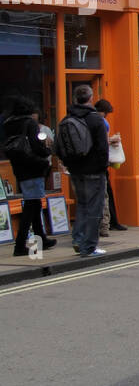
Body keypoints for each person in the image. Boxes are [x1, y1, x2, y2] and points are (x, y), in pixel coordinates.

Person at [2, 95, 57, 256]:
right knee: (31, 205)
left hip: (19, 168)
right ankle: (20, 246)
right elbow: (36, 146)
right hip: (34, 167)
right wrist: (47, 153)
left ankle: (41, 239)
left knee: (34, 203)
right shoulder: (30, 124)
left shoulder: (8, 124)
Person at [60, 84, 109, 258]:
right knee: (95, 208)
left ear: (75, 99)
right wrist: (103, 168)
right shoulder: (95, 119)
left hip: (76, 170)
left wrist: (70, 164)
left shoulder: (67, 118)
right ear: (90, 98)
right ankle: (89, 247)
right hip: (94, 171)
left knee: (82, 205)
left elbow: (60, 146)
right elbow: (103, 148)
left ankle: (78, 240)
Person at [95, 99, 127, 231]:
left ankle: (111, 221)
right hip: (99, 163)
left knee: (106, 193)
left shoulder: (97, 120)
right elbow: (99, 142)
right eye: (106, 113)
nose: (106, 116)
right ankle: (107, 224)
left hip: (101, 161)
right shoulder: (98, 121)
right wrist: (112, 140)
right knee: (105, 194)